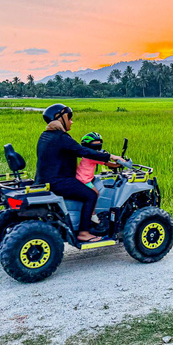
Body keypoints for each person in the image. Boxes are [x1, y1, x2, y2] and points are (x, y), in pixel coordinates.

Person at [35, 104, 123, 243]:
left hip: (44, 179)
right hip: (59, 181)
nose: (71, 121)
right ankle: (84, 232)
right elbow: (83, 151)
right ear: (61, 118)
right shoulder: (62, 137)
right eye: (69, 118)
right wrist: (110, 157)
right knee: (91, 194)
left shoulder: (45, 136)